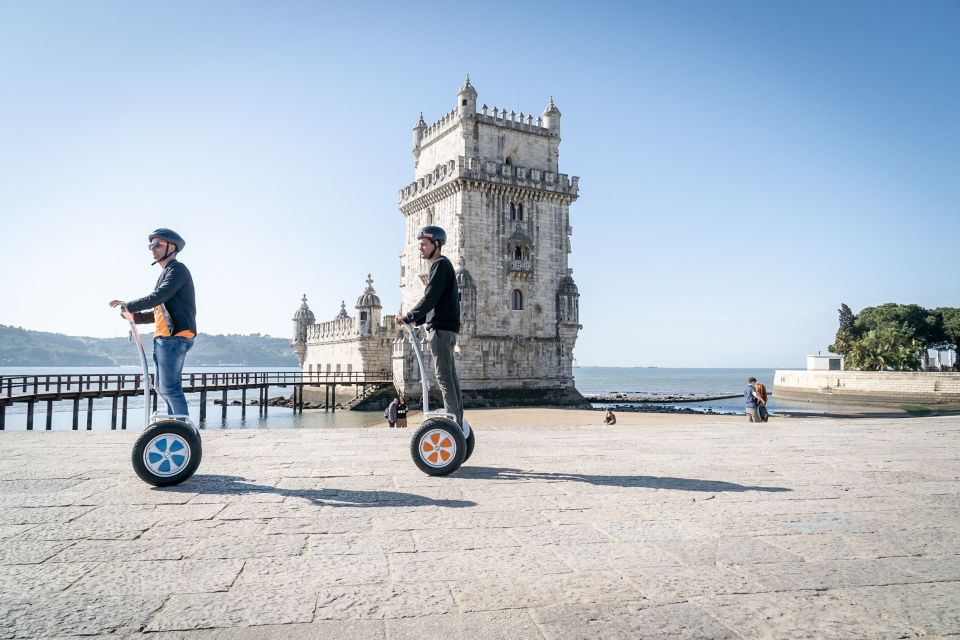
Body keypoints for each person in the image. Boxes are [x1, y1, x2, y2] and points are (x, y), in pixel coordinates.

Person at [110, 229, 196, 417]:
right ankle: (174, 425)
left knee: (170, 388)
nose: (152, 249)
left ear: (172, 247)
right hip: (164, 339)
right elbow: (160, 311)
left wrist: (129, 305)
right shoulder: (167, 273)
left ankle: (182, 429)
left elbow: (159, 297)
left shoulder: (178, 270)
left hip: (175, 338)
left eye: (157, 245)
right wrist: (135, 316)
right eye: (151, 245)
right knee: (162, 387)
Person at [396, 225, 462, 426]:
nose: (420, 248)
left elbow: (431, 297)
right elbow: (439, 302)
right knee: (450, 377)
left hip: (440, 332)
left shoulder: (440, 265)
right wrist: (419, 320)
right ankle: (458, 420)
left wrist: (409, 317)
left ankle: (453, 423)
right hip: (446, 330)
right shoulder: (444, 266)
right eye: (420, 245)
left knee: (443, 377)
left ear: (436, 244)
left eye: (424, 244)